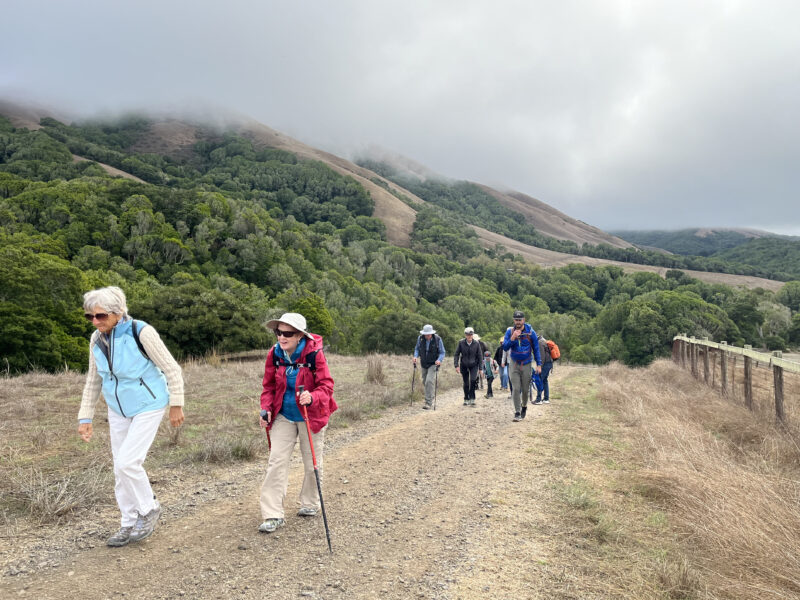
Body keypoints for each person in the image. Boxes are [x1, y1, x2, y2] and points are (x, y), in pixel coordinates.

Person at [77, 286, 184, 547]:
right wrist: (85, 417)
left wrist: (176, 404)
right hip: (117, 408)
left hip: (149, 403)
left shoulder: (141, 331)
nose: (95, 321)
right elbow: (94, 380)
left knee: (128, 462)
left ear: (118, 312)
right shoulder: (96, 340)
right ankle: (128, 522)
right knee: (119, 468)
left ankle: (148, 509)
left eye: (100, 316)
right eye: (90, 317)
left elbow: (171, 368)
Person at [258, 313, 336, 533]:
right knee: (276, 462)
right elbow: (268, 387)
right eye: (278, 332)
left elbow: (327, 387)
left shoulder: (315, 355)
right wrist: (265, 408)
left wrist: (312, 397)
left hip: (310, 414)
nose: (282, 337)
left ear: (300, 335)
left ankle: (310, 503)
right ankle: (272, 514)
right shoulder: (274, 354)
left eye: (287, 333)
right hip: (283, 414)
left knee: (312, 464)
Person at [502, 310, 541, 422]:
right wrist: (513, 338)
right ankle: (517, 412)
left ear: (524, 320)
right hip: (514, 364)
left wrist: (539, 364)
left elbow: (536, 349)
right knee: (515, 388)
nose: (518, 322)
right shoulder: (510, 332)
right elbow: (505, 347)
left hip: (527, 363)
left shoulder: (531, 333)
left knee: (525, 389)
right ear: (513, 320)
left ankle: (524, 406)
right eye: (516, 320)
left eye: (520, 320)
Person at [412, 324, 445, 410]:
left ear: (432, 333)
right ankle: (430, 396)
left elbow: (442, 352)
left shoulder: (438, 339)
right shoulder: (420, 338)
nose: (427, 336)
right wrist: (415, 356)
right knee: (425, 382)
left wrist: (439, 360)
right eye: (426, 334)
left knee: (429, 381)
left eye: (429, 334)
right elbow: (417, 349)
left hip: (433, 363)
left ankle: (428, 402)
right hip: (424, 363)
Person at [454, 326, 482, 406]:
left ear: (473, 335)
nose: (469, 336)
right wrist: (456, 365)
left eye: (471, 335)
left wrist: (480, 368)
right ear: (465, 335)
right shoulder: (461, 343)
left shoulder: (476, 343)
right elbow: (456, 354)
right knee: (466, 383)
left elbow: (480, 356)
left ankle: (472, 398)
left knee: (473, 381)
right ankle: (466, 398)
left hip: (474, 365)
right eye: (467, 335)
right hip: (464, 365)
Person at [532, 333, 553, 405]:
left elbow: (541, 357)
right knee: (544, 381)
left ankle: (538, 399)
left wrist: (539, 366)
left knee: (539, 380)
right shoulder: (543, 341)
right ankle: (546, 398)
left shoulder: (539, 343)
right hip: (549, 363)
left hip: (545, 364)